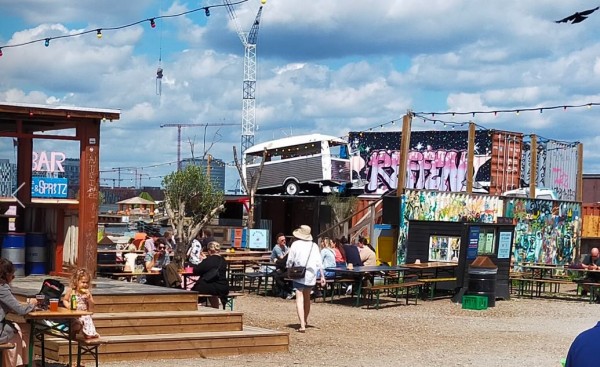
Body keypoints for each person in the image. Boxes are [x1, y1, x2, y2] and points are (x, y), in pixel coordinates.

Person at [286, 225, 326, 333]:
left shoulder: (295, 244)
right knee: (307, 298)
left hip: (299, 273)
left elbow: (290, 260)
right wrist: (322, 276)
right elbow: (319, 262)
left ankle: (302, 324)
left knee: (299, 298)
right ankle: (305, 320)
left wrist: (288, 269)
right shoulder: (314, 246)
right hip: (311, 274)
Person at [0, 258, 38, 367]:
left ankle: (27, 363)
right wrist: (33, 304)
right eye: (12, 276)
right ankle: (18, 365)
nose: (13, 278)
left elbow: (10, 304)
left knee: (23, 328)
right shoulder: (2, 288)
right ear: (6, 275)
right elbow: (20, 310)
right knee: (17, 332)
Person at [62, 268, 99, 339]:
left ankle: (89, 334)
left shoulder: (87, 293)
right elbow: (65, 300)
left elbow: (92, 306)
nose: (85, 285)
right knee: (76, 323)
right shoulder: (71, 290)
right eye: (83, 282)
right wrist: (68, 306)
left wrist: (89, 299)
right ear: (76, 282)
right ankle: (75, 332)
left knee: (87, 320)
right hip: (74, 313)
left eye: (87, 282)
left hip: (84, 314)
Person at [192, 241, 229, 309]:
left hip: (213, 286)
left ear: (209, 251)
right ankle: (216, 309)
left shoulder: (209, 260)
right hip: (223, 286)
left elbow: (197, 270)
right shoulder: (223, 260)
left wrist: (203, 260)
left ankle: (192, 309)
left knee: (194, 291)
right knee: (211, 293)